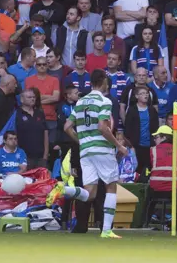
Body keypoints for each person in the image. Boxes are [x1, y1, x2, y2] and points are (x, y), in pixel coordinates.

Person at [46, 69, 129, 239]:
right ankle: (106, 230)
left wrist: (81, 141)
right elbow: (102, 127)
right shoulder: (105, 101)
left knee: (89, 193)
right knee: (111, 186)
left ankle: (64, 190)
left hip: (86, 151)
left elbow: (67, 126)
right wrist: (118, 146)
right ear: (103, 81)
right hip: (102, 149)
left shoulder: (80, 102)